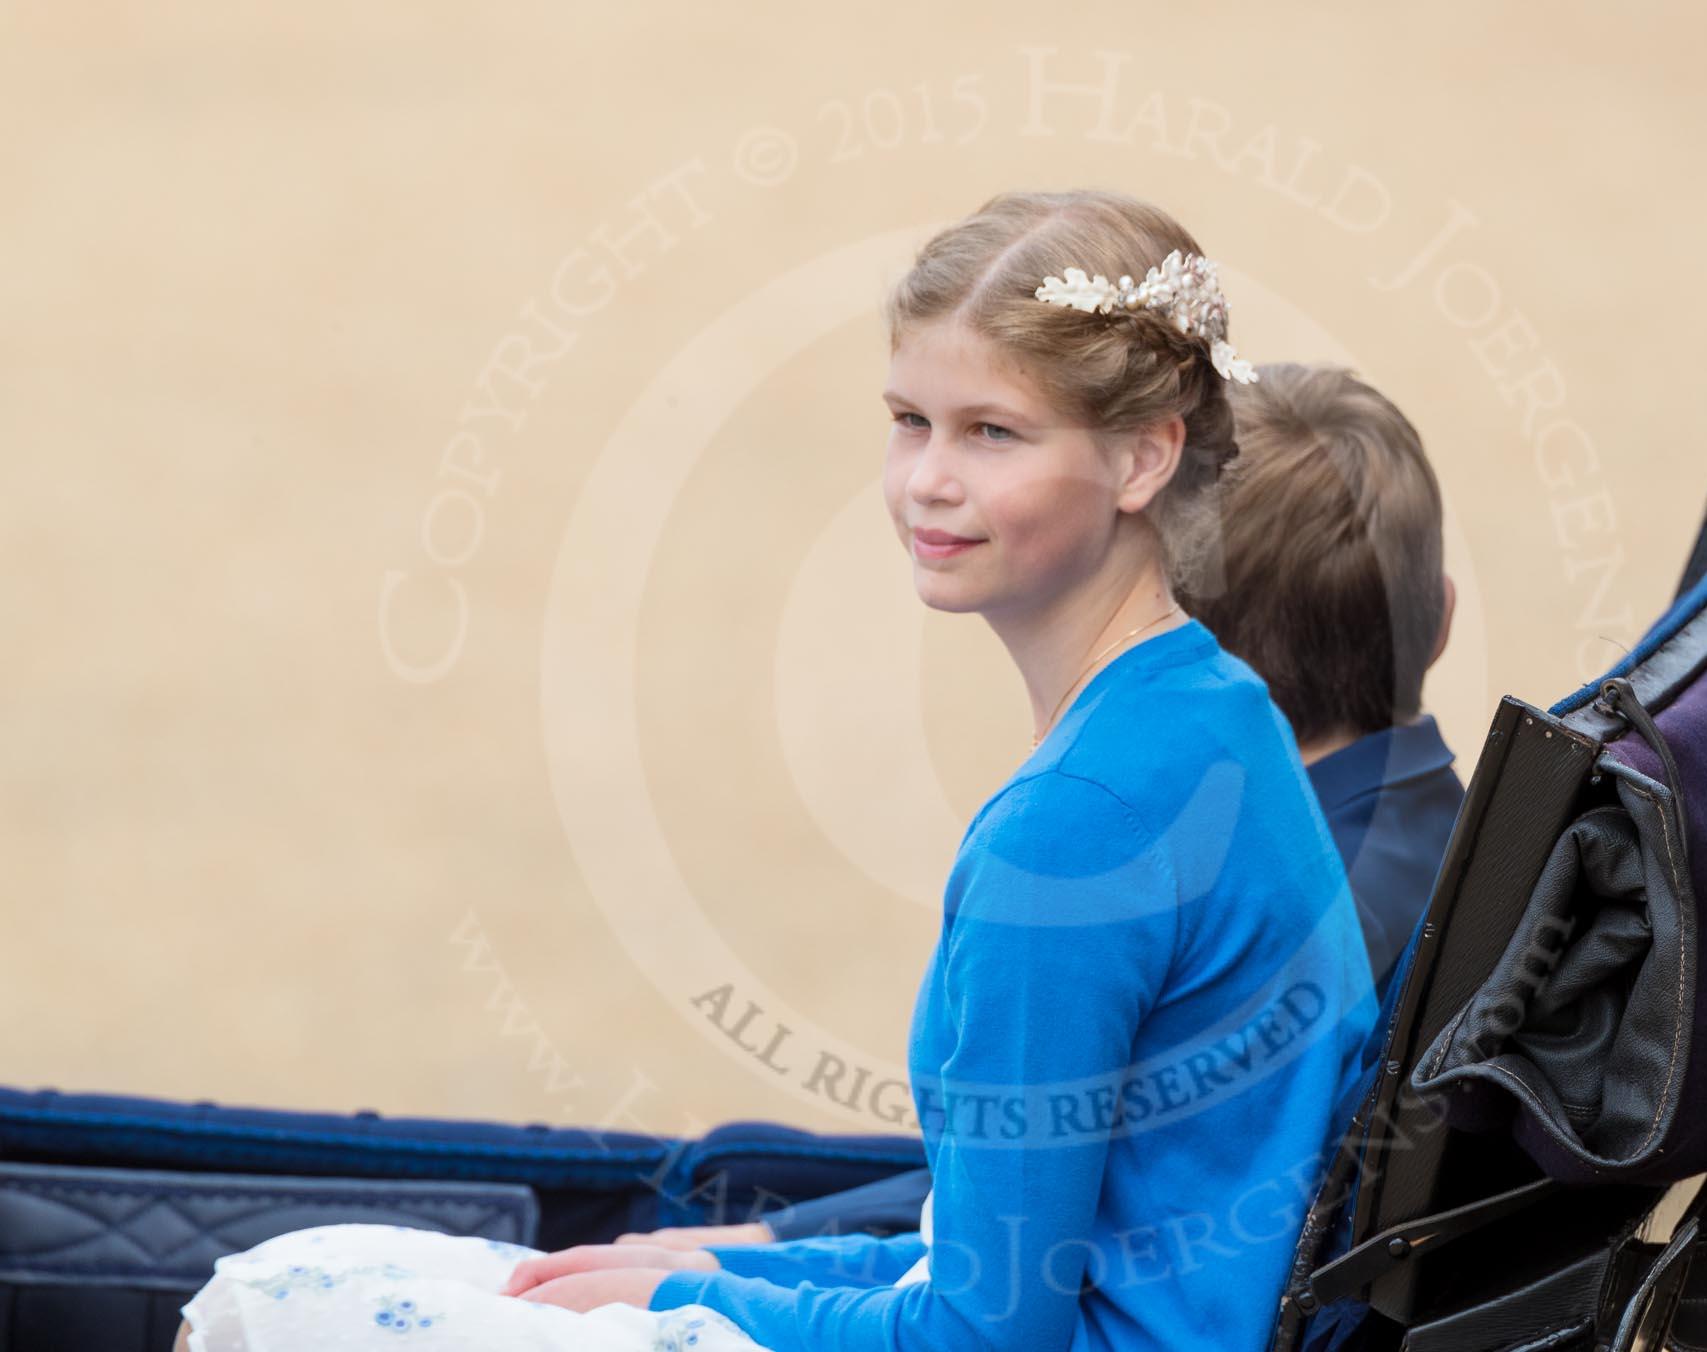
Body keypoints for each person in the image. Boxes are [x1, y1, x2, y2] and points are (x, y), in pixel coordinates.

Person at [173, 190, 1380, 1352]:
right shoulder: (1217, 710)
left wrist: (681, 1310)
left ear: (1141, 458)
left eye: (992, 432)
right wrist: (717, 1268)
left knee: (269, 1304)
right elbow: (1034, 1261)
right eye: (911, 419)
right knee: (367, 1271)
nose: (928, 481)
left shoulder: (1073, 825)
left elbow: (984, 1333)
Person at [622, 363, 1466, 1258]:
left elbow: (1055, 1207)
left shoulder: (1247, 888)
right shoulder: (1458, 856)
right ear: (1439, 620)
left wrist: (758, 1246)